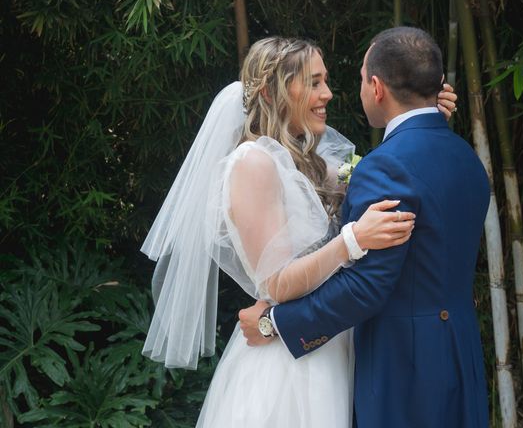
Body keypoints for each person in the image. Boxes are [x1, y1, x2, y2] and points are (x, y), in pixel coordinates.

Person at [140, 36, 458, 427]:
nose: (327, 93)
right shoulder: (252, 164)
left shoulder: (312, 165)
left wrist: (422, 120)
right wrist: (353, 240)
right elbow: (275, 283)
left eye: (324, 81)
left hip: (328, 344)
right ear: (273, 94)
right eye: (312, 82)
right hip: (289, 367)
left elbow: (390, 179)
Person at [240, 27, 490, 428]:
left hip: (404, 368)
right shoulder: (464, 157)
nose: (333, 94)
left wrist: (275, 323)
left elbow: (368, 285)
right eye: (316, 82)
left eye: (355, 79)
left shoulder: (387, 166)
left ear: (376, 87)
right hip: (459, 353)